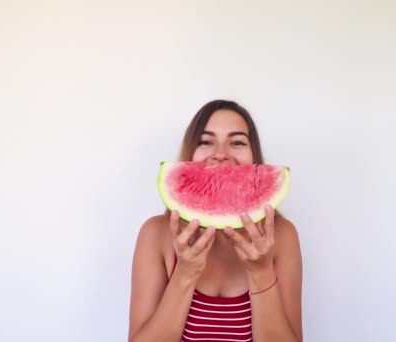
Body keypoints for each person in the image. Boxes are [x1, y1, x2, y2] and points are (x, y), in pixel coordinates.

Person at [127, 99, 303, 342]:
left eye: (237, 142)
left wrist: (261, 273)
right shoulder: (156, 234)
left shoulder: (281, 237)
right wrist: (185, 275)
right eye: (205, 142)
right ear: (189, 153)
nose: (220, 154)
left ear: (255, 158)